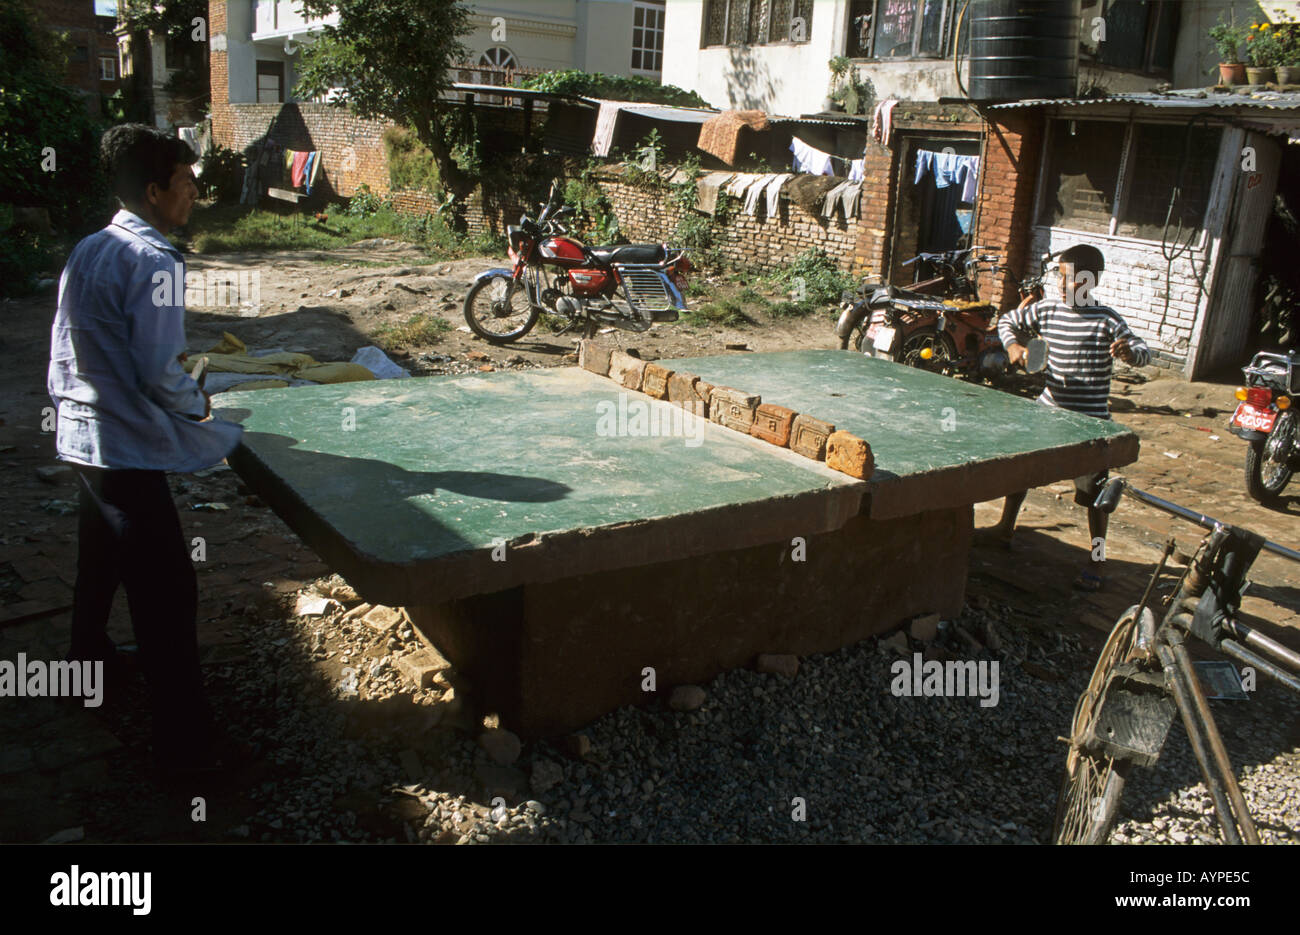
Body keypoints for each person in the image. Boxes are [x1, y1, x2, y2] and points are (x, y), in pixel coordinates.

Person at [49, 124, 246, 779]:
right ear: (157, 191)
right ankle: (184, 746)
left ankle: (88, 669)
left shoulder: (88, 249)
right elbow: (162, 372)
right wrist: (204, 409)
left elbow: (63, 349)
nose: (194, 194)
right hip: (124, 449)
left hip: (82, 439)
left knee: (99, 563)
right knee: (167, 593)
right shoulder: (154, 260)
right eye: (187, 183)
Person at [978, 243, 1150, 592]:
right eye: (1061, 277)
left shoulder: (1108, 320)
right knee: (1020, 468)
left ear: (1092, 281)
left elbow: (1144, 352)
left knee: (1095, 497)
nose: (1062, 284)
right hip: (1049, 410)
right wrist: (1013, 346)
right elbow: (1009, 321)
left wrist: (1130, 353)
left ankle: (1097, 558)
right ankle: (1006, 526)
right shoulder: (1049, 311)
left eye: (1070, 279)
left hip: (1090, 424)